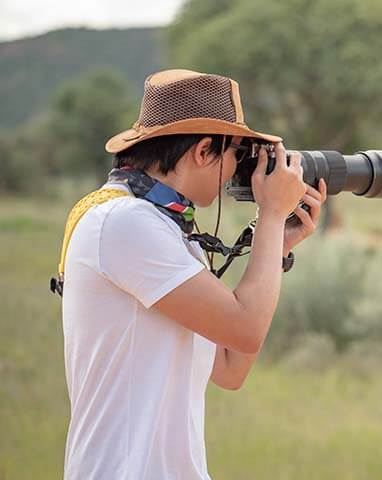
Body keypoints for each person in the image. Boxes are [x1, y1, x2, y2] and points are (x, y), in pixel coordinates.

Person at [59, 69, 327, 479]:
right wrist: (271, 214)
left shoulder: (167, 227)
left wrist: (276, 247)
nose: (241, 169)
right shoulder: (124, 221)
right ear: (204, 151)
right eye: (237, 153)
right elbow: (245, 328)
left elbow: (230, 367)